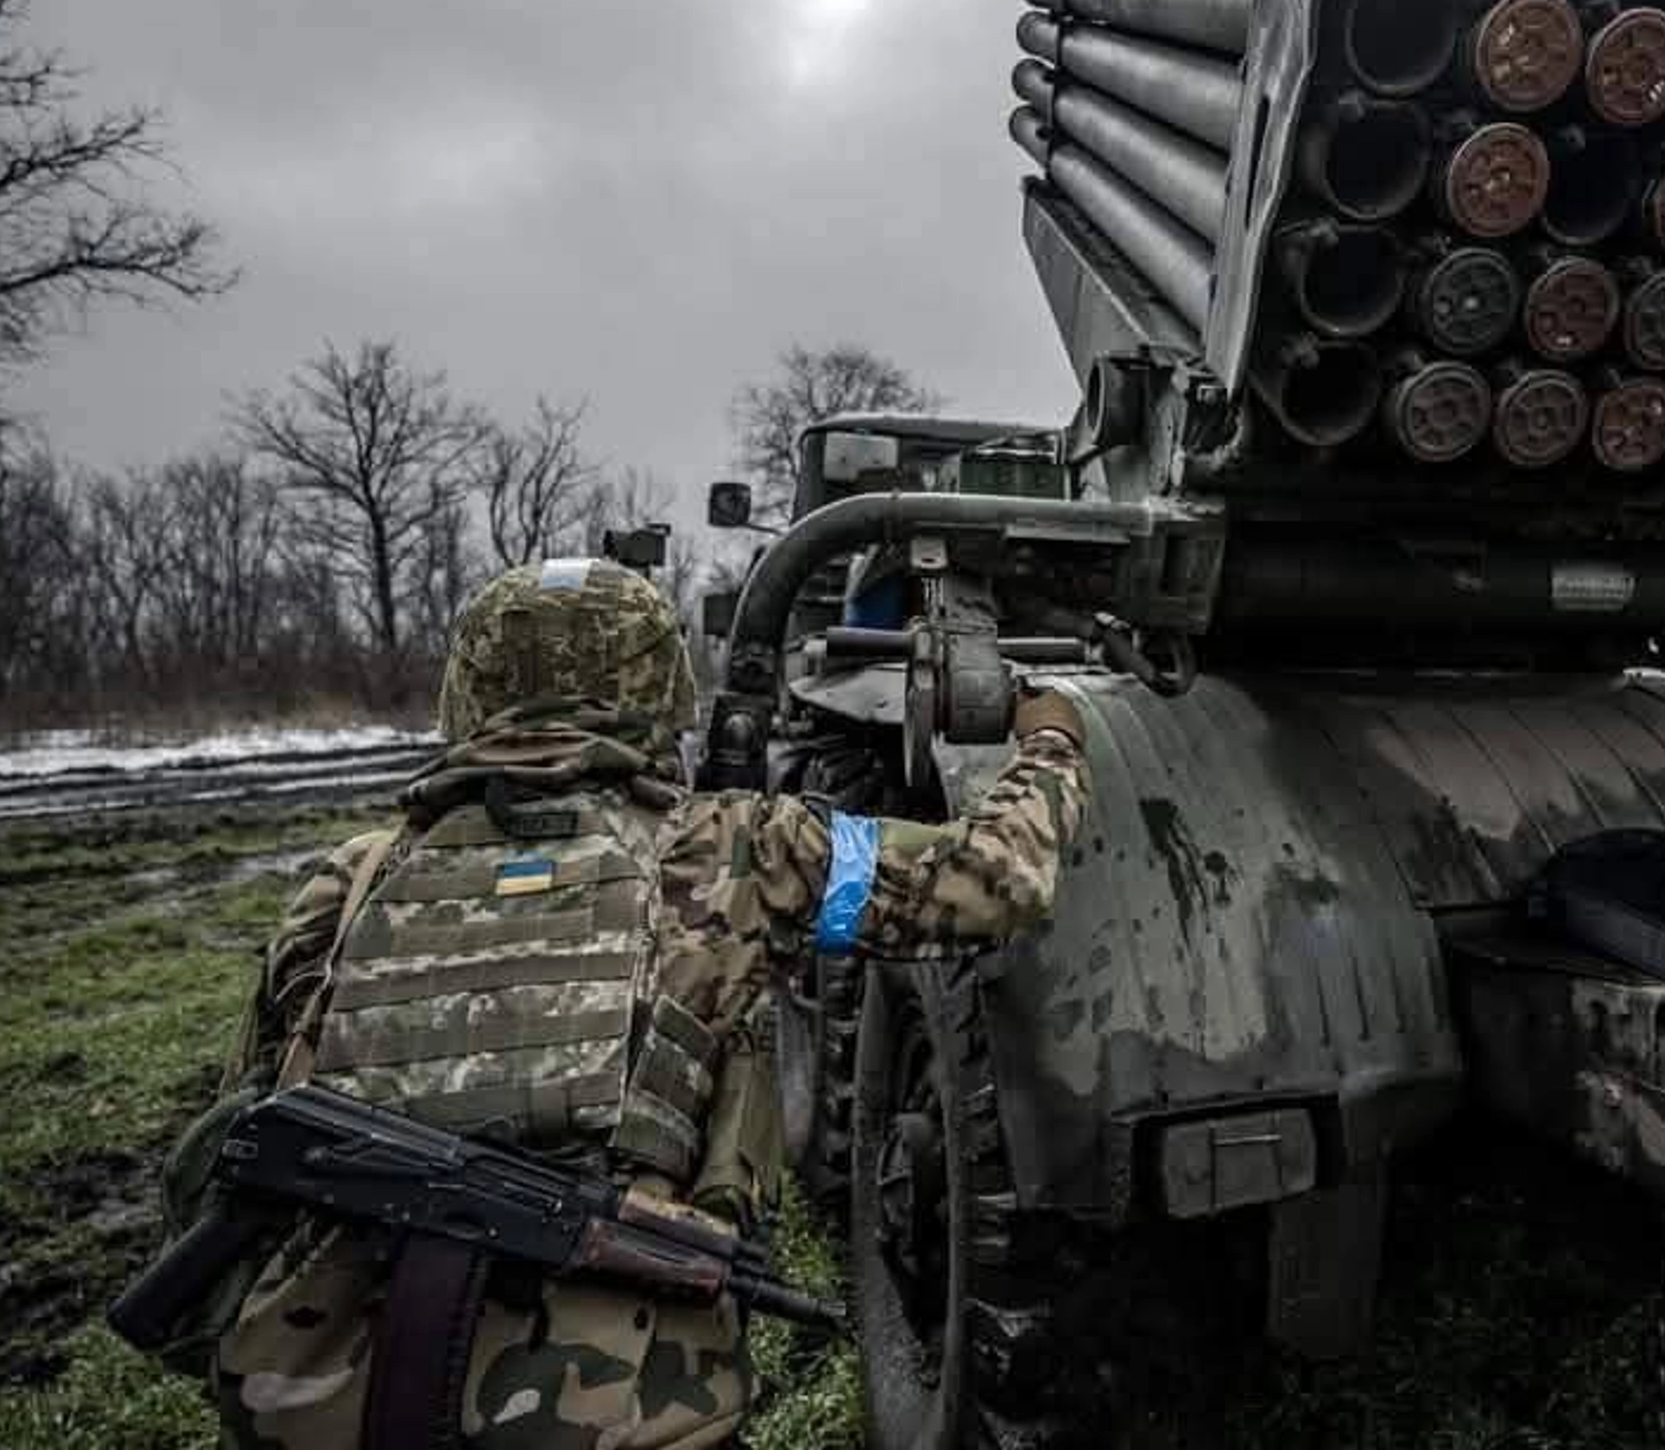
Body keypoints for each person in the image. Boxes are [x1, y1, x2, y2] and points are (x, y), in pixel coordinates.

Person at [185, 556, 1089, 1450]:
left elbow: (229, 1151)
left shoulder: (347, 882)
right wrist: (1049, 736)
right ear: (661, 689)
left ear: (467, 690)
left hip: (312, 1403)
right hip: (622, 1413)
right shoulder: (738, 855)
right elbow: (996, 876)